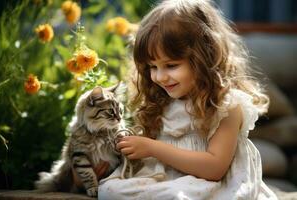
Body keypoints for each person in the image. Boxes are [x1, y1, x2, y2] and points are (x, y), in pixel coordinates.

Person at [98, 0, 278, 199]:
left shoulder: (226, 105)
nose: (160, 77)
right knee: (108, 190)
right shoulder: (161, 100)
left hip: (212, 183)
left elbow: (214, 168)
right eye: (152, 67)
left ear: (203, 58)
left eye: (171, 65)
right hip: (165, 178)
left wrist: (152, 148)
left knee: (176, 196)